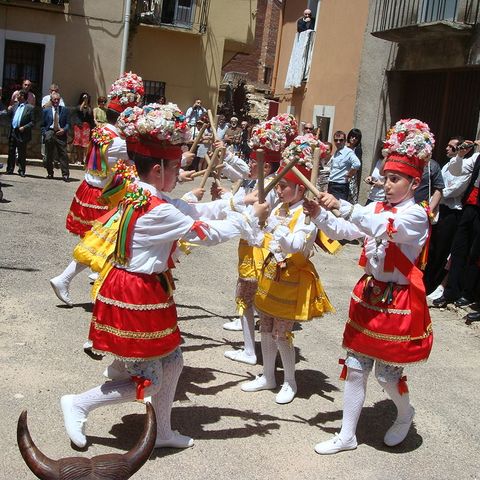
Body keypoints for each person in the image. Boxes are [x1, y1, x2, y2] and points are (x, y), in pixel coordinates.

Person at [60, 102, 268, 450]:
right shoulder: (156, 210)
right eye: (174, 166)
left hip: (143, 289)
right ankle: (79, 403)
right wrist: (249, 219)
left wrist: (241, 202)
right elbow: (205, 232)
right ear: (158, 169)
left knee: (173, 360)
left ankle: (163, 431)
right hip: (134, 294)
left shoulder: (140, 193)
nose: (179, 171)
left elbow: (190, 209)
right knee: (151, 379)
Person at [306, 118, 434, 454]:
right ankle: (347, 434)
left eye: (395, 179)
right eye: (386, 178)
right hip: (371, 293)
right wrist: (319, 213)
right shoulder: (377, 206)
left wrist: (346, 206)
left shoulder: (415, 215)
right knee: (356, 366)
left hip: (398, 300)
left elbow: (382, 227)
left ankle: (405, 413)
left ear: (414, 181)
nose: (387, 184)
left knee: (387, 375)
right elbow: (345, 232)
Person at [240, 135, 334, 404]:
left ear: (300, 189)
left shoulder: (306, 214)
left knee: (283, 334)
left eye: (284, 186)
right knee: (266, 328)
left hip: (292, 277)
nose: (279, 191)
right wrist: (258, 228)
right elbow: (264, 239)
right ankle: (268, 376)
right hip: (271, 274)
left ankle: (290, 381)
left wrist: (270, 224)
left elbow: (294, 245)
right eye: (279, 185)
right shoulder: (280, 207)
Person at [50, 72, 144, 307]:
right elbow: (139, 162)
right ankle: (67, 278)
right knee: (101, 241)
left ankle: (97, 274)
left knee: (100, 242)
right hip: (101, 196)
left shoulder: (102, 131)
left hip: (88, 189)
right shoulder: (121, 143)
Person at [223, 113, 298, 366]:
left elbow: (250, 213)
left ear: (266, 167)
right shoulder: (263, 185)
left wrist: (229, 202)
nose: (249, 166)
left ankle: (249, 350)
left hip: (257, 249)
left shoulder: (269, 189)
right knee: (249, 298)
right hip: (251, 246)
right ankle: (254, 350)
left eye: (254, 162)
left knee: (247, 298)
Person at [424, 138, 475, 296]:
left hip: (451, 212)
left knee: (441, 250)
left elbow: (454, 190)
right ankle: (425, 281)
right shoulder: (449, 163)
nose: (448, 148)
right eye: (449, 145)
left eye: (452, 147)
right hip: (440, 207)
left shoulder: (466, 167)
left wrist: (437, 195)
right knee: (431, 248)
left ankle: (433, 285)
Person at [6, 90, 35, 177]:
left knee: (21, 152)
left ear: (22, 96)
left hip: (22, 132)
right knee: (11, 151)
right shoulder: (15, 106)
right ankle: (10, 169)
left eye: (18, 95)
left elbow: (33, 122)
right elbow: (10, 116)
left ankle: (21, 170)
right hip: (13, 131)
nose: (16, 96)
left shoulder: (30, 107)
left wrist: (24, 127)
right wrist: (9, 110)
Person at [327, 130, 361, 201]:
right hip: (332, 184)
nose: (338, 142)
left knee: (337, 208)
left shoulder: (348, 152)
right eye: (336, 140)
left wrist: (349, 174)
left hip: (340, 186)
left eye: (341, 140)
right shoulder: (337, 152)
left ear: (345, 140)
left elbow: (357, 164)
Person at [72, 92, 95, 165]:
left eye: (87, 98)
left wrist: (87, 103)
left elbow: (90, 112)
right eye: (84, 98)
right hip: (78, 126)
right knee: (78, 144)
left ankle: (84, 159)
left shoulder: (89, 108)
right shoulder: (78, 106)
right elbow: (80, 109)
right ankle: (79, 159)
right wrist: (84, 101)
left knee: (85, 144)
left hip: (86, 127)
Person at [347, 128, 363, 203]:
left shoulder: (357, 150)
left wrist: (350, 175)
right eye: (352, 136)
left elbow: (357, 165)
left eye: (356, 138)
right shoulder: (345, 148)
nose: (353, 139)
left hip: (351, 176)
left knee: (351, 197)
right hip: (342, 175)